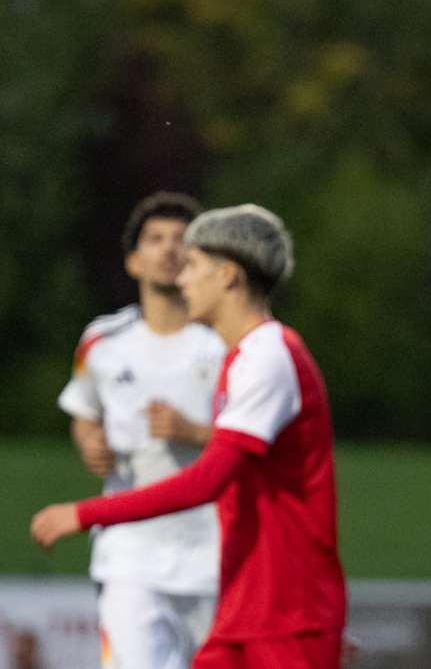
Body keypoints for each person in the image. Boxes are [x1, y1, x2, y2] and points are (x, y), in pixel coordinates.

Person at [33, 204, 347, 669]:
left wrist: (85, 513)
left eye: (193, 264)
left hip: (286, 613)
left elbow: (206, 481)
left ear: (228, 276)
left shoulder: (269, 356)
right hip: (249, 611)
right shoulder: (246, 356)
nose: (182, 277)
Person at [57, 191, 223, 669]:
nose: (169, 249)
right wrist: (89, 441)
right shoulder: (102, 341)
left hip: (212, 553)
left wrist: (195, 432)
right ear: (133, 261)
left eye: (181, 240)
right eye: (155, 239)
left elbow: (260, 442)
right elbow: (83, 410)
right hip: (129, 554)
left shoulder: (224, 344)